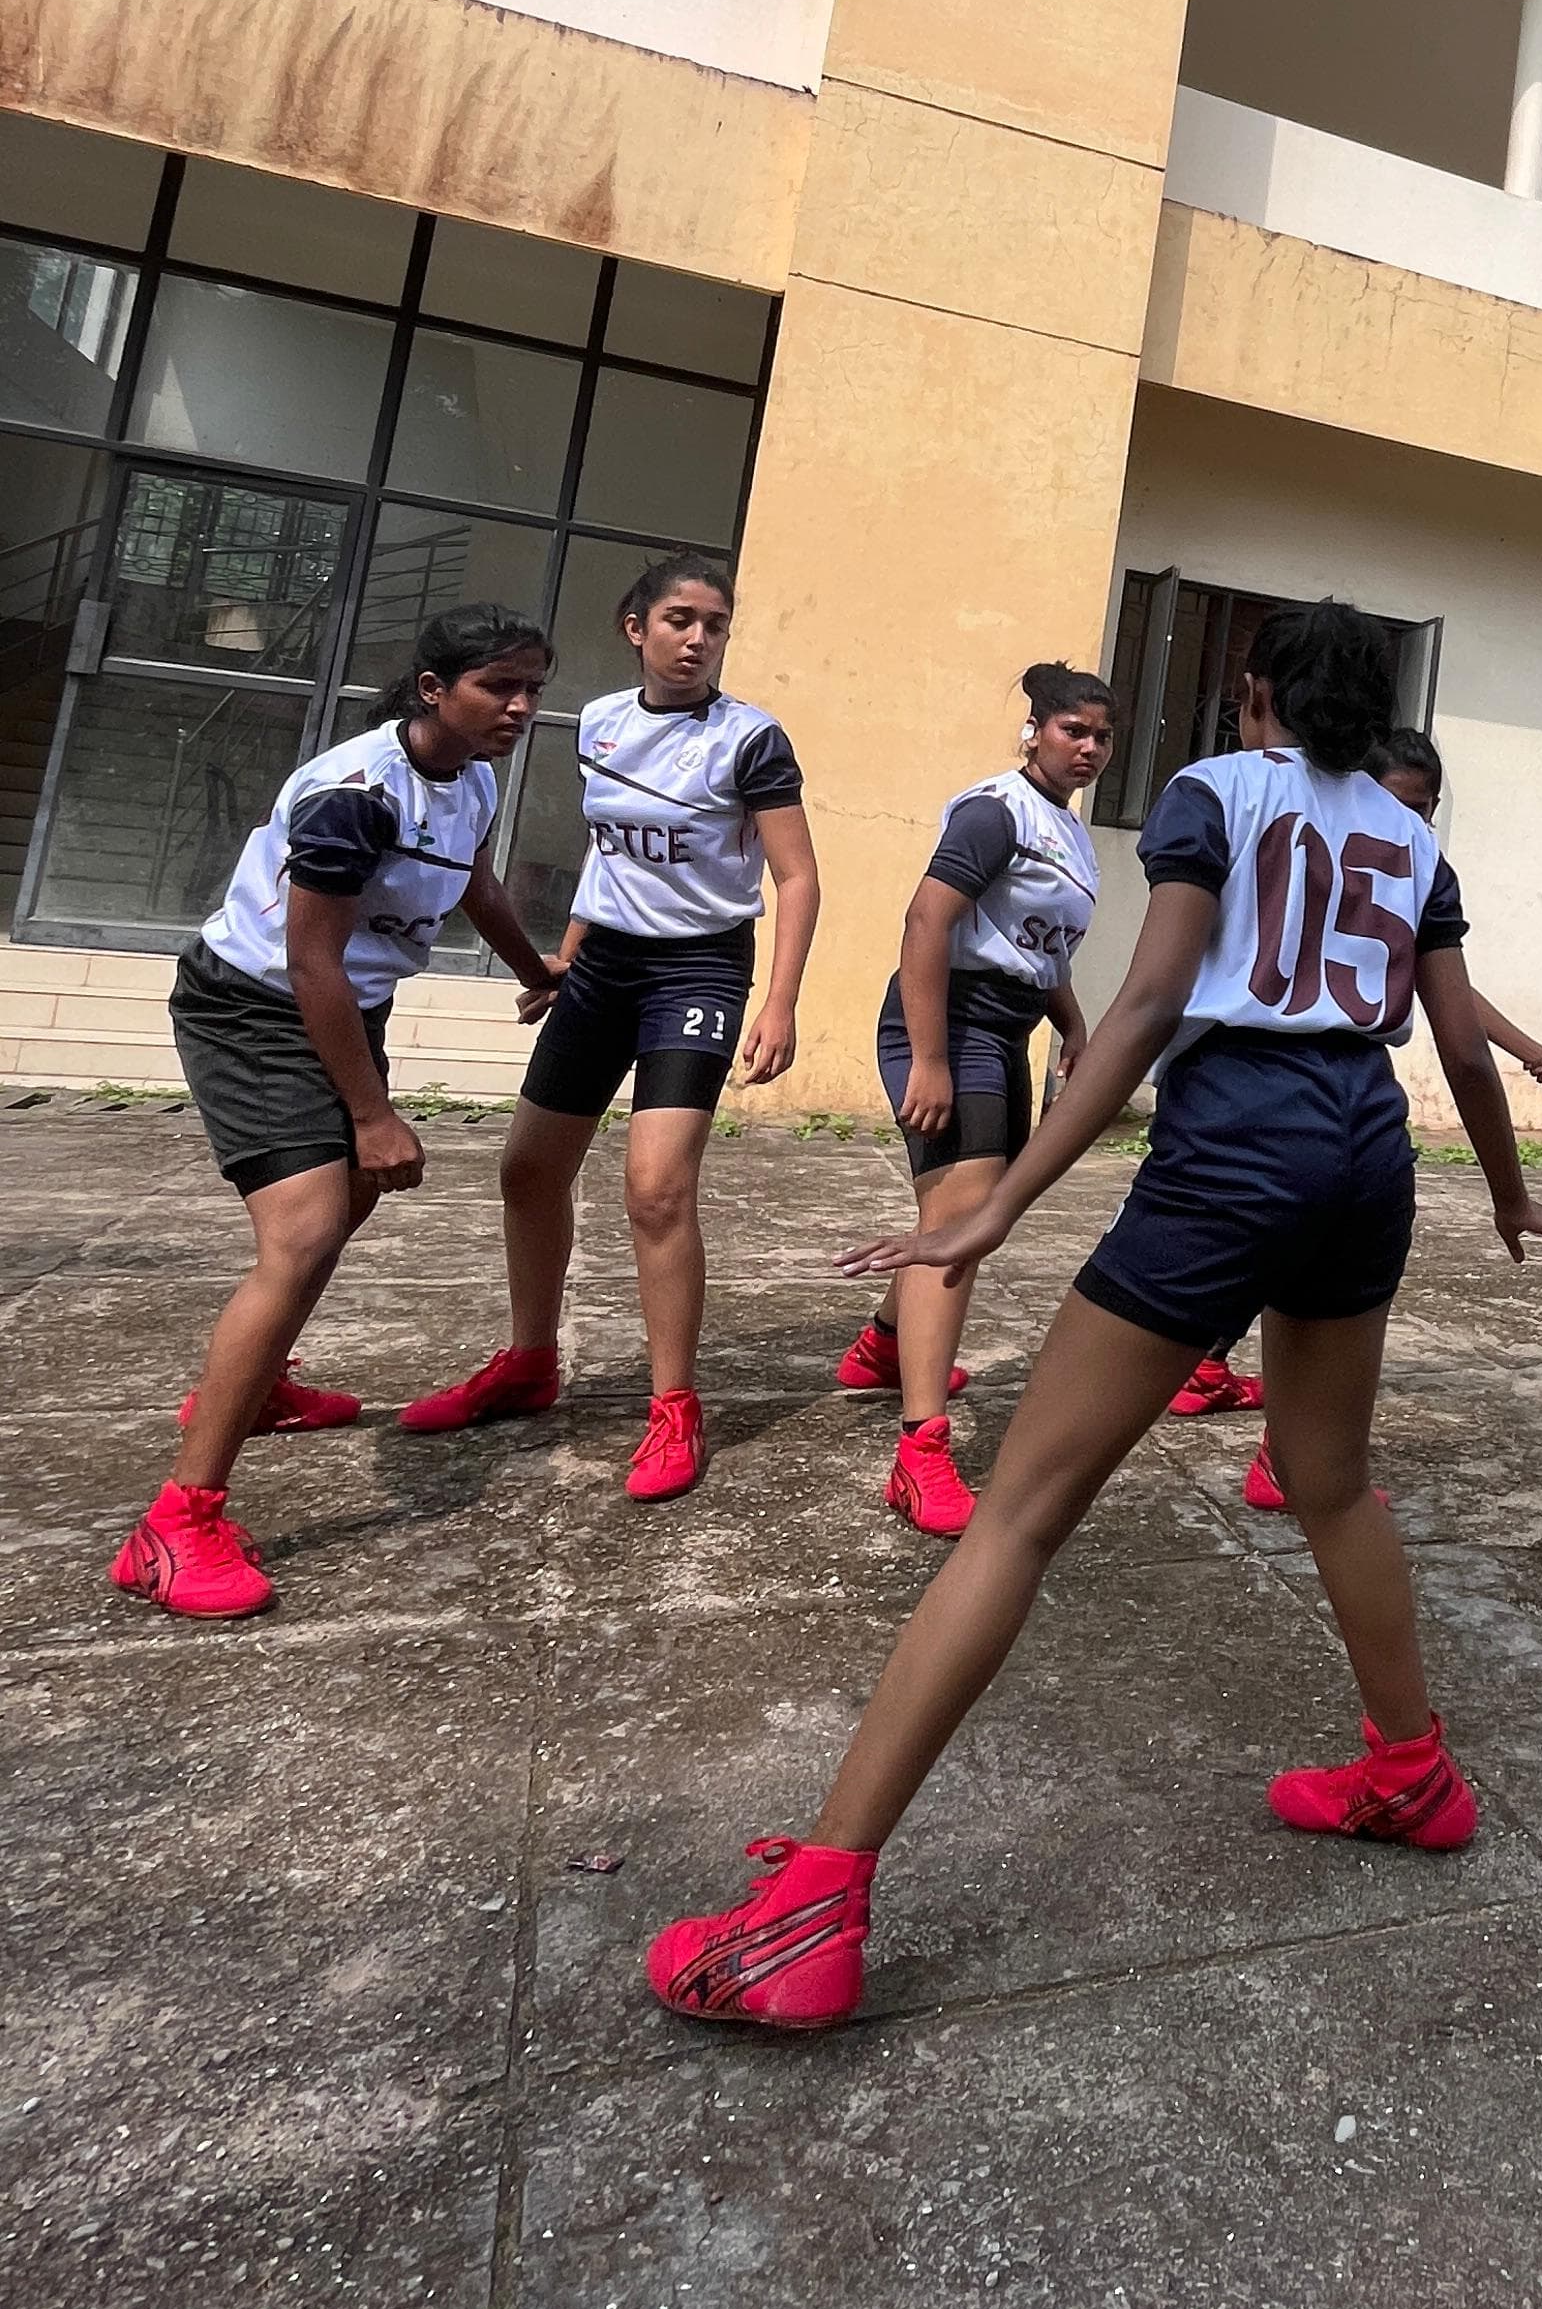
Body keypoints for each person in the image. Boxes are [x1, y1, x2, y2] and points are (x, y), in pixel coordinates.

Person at [644, 599, 1542, 2031]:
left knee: (1021, 1513)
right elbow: (1458, 1043)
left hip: (1244, 1140)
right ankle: (1412, 1772)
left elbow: (1150, 1005)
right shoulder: (1414, 838)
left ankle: (810, 1911)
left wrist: (997, 1204)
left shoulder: (1217, 792)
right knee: (1333, 1481)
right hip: (1367, 1144)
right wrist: (1510, 1195)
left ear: (1255, 691)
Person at [110, 604, 561, 1621]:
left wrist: (537, 971)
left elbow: (474, 881)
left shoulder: (473, 774)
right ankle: (174, 1526)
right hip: (257, 1004)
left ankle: (256, 1384)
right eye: (498, 686)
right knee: (306, 1231)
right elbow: (311, 959)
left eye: (532, 688)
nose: (521, 707)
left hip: (345, 1004)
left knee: (346, 1204)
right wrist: (371, 1113)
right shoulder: (355, 795)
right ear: (434, 689)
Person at [408, 552, 819, 1500]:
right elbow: (610, 855)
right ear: (636, 628)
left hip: (697, 969)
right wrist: (563, 957)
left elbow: (796, 876)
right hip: (603, 968)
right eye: (680, 620)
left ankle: (674, 1404)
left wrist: (781, 1001)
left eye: (715, 625)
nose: (698, 639)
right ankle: (529, 1362)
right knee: (527, 1170)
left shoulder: (750, 739)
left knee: (656, 1190)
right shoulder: (596, 723)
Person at [1220, 722, 1542, 1510]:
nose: (1411, 822)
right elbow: (1461, 1047)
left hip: (1308, 1111)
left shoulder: (1409, 867)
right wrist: (1512, 1196)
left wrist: (1534, 1055)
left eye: (1425, 809)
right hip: (1272, 1099)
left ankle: (1276, 1448)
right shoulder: (1297, 843)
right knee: (1287, 1265)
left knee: (1295, 1264)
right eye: (1398, 803)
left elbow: (1452, 996)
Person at [832, 663, 1115, 1536]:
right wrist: (928, 1059)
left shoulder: (1068, 831)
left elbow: (1039, 948)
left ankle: (883, 1347)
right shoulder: (996, 812)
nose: (1089, 748)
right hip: (950, 1023)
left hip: (1006, 1027)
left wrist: (1072, 1025)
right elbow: (928, 921)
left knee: (973, 1214)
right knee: (958, 1222)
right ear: (1035, 730)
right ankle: (920, 1453)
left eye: (1102, 736)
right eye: (1073, 730)